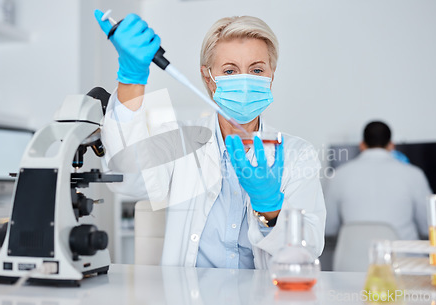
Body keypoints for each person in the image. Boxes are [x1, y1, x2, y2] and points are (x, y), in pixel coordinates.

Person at [94, 11, 326, 269]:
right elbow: (129, 180)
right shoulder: (179, 141)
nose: (245, 81)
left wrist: (271, 209)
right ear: (208, 78)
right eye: (229, 70)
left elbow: (309, 247)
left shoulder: (297, 154)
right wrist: (131, 79)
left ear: (271, 76)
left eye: (257, 69)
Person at [325, 121, 432, 240]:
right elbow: (429, 226)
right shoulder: (414, 174)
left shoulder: (338, 175)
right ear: (391, 145)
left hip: (354, 257)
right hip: (402, 257)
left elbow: (329, 227)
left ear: (362, 145)